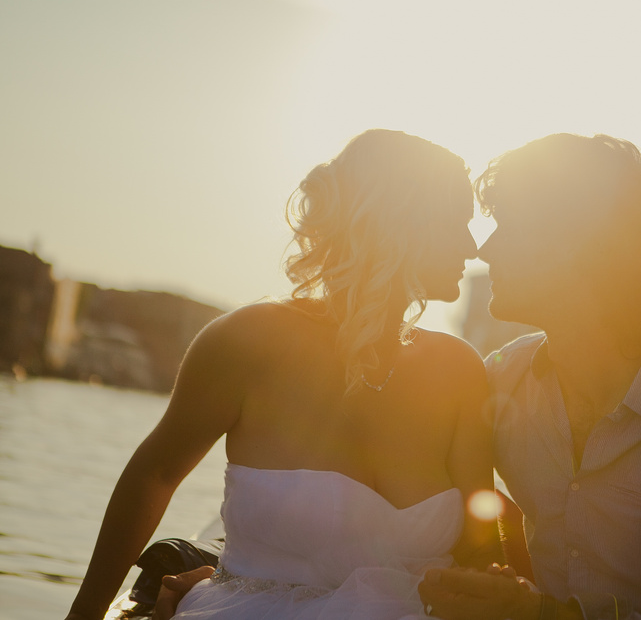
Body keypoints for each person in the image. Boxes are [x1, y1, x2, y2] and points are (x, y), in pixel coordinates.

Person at [65, 129, 501, 620]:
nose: (473, 247)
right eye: (457, 223)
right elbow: (155, 475)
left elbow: (482, 544)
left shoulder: (460, 370)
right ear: (401, 223)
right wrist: (85, 615)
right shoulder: (245, 341)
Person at [417, 134, 641, 620]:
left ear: (581, 246)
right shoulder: (501, 380)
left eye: (512, 226)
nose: (487, 249)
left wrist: (542, 613)